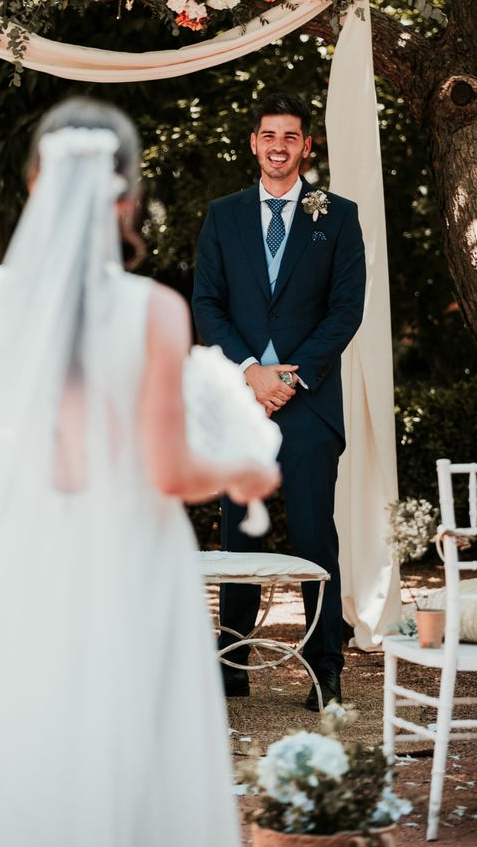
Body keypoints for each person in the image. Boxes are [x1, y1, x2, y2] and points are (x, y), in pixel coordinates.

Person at [0, 98, 278, 846]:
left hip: (19, 556)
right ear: (127, 197)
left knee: (15, 743)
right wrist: (245, 470)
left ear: (36, 183)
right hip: (132, 561)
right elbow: (169, 472)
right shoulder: (154, 310)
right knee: (131, 750)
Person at [192, 92, 366, 708]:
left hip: (311, 405)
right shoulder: (224, 215)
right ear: (253, 143)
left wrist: (289, 379)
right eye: (269, 135)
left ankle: (325, 667)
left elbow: (346, 310)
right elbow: (207, 303)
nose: (278, 146)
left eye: (290, 137)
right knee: (240, 536)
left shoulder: (338, 217)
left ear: (306, 147)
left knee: (316, 535)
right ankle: (233, 661)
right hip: (241, 402)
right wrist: (249, 372)